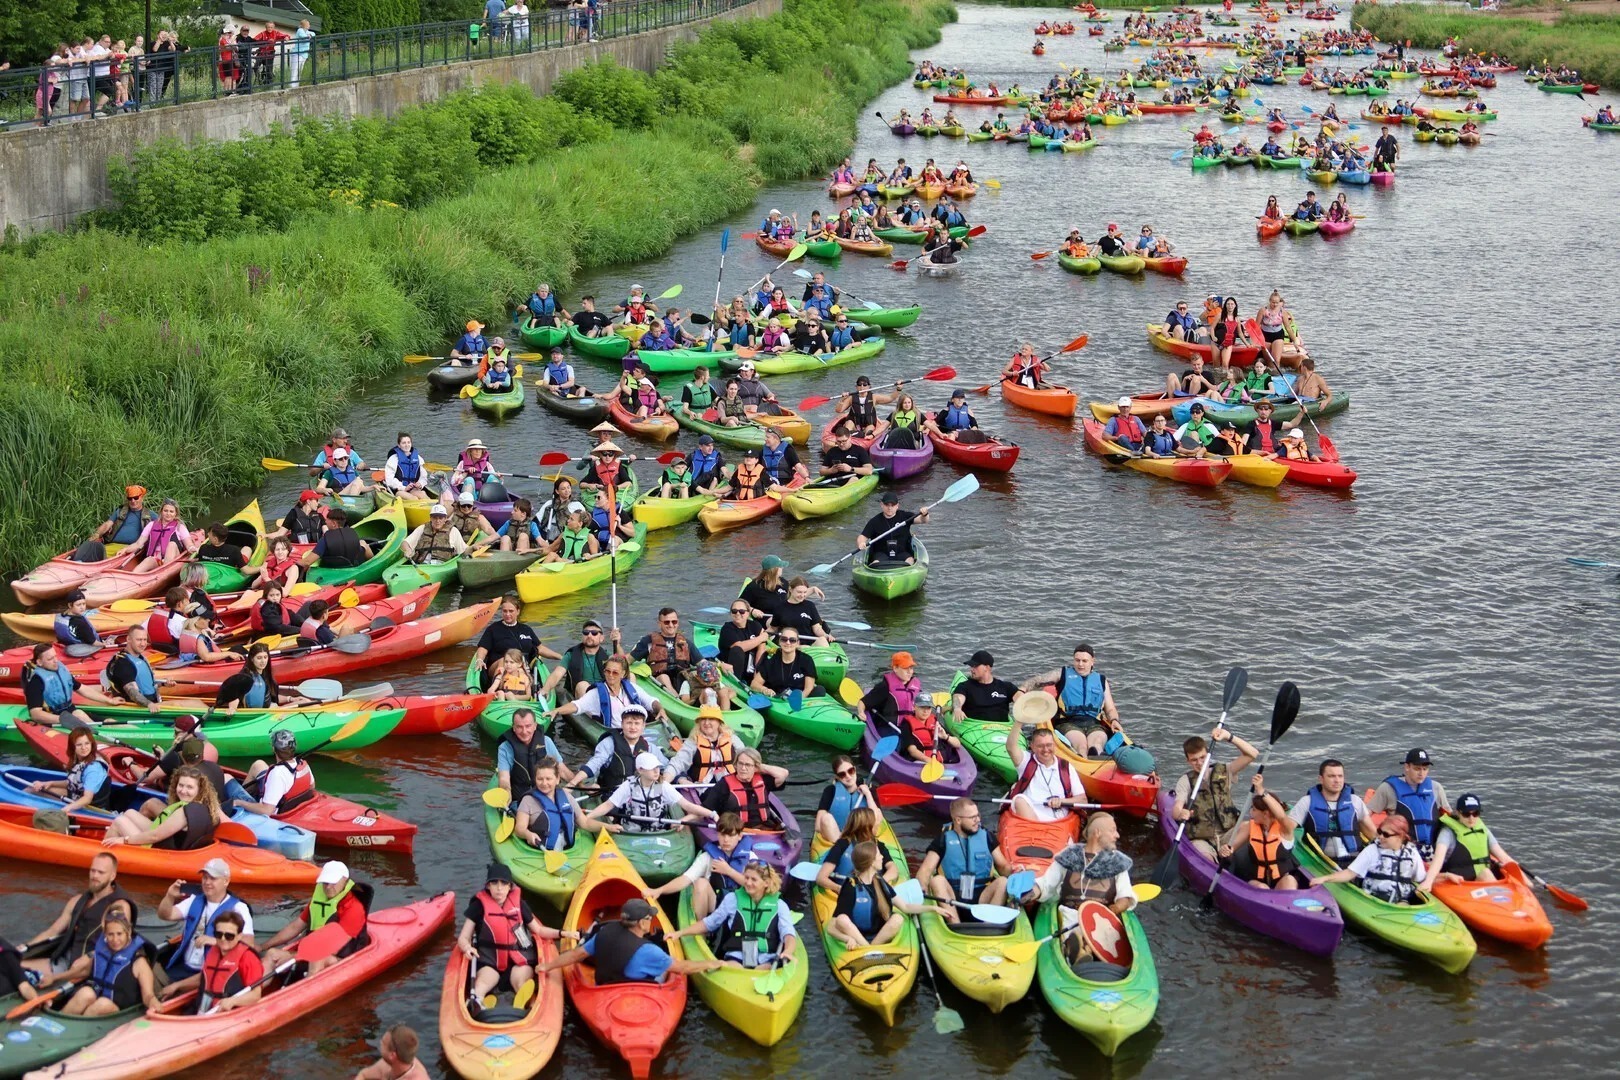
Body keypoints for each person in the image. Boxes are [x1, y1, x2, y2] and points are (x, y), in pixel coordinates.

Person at [457, 864, 567, 1007]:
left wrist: (562, 933)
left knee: (521, 984)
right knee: (482, 984)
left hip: (518, 961)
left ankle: (529, 1007)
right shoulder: (478, 906)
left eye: (504, 883)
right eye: (494, 883)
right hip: (490, 961)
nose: (499, 888)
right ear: (488, 886)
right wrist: (467, 948)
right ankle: (477, 1003)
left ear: (510, 886)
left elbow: (539, 931)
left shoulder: (519, 905)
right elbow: (463, 937)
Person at [541, 896, 720, 983]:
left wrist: (547, 966)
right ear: (642, 923)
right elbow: (682, 968)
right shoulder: (650, 951)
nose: (651, 921)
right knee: (668, 966)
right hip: (639, 990)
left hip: (604, 986)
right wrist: (710, 963)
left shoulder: (603, 932)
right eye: (649, 918)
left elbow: (575, 955)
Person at [668, 862, 800, 971]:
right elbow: (709, 923)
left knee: (763, 969)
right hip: (737, 955)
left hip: (767, 958)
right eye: (746, 878)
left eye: (754, 879)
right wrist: (680, 933)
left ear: (766, 883)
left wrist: (788, 951)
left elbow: (788, 934)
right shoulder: (732, 899)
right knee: (732, 968)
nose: (748, 883)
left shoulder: (779, 905)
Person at [19, 854, 135, 978]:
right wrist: (26, 947)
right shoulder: (77, 901)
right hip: (66, 960)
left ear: (112, 876)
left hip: (91, 967)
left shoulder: (119, 906)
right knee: (14, 966)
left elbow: (119, 943)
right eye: (93, 871)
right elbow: (53, 931)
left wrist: (90, 956)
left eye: (101, 872)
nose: (95, 876)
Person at [154, 859, 255, 993]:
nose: (207, 882)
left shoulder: (239, 908)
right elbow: (165, 915)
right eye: (205, 877)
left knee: (167, 991)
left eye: (213, 878)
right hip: (183, 966)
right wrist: (170, 896)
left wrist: (215, 941)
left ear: (226, 881)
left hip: (211, 971)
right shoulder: (194, 900)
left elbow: (248, 944)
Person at [261, 861, 373, 976]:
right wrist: (262, 946)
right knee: (272, 954)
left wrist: (297, 956)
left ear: (344, 880)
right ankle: (259, 987)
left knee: (318, 958)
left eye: (333, 883)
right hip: (311, 953)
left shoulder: (354, 909)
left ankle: (307, 985)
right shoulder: (318, 902)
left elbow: (334, 945)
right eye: (325, 883)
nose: (328, 887)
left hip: (339, 959)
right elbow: (295, 927)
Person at [825, 842, 939, 948]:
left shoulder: (881, 882)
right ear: (871, 862)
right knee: (842, 919)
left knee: (898, 918)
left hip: (878, 937)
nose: (882, 857)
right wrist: (848, 939)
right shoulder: (851, 887)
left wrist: (933, 908)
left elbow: (905, 907)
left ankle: (870, 948)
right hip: (857, 936)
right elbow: (831, 928)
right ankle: (867, 948)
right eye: (879, 855)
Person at [1170, 728, 1260, 857]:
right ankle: (1213, 862)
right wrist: (1181, 813)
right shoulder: (1185, 781)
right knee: (1204, 856)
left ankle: (1227, 852)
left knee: (1250, 826)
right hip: (1202, 839)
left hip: (1228, 834)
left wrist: (1228, 736)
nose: (1199, 763)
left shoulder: (1225, 770)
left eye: (1202, 757)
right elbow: (1176, 809)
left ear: (1208, 754)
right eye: (1194, 760)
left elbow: (1252, 754)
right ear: (1188, 761)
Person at [646, 811, 754, 916]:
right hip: (717, 905)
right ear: (717, 834)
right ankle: (702, 926)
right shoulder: (707, 857)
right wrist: (659, 890)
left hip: (743, 907)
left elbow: (758, 886)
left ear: (740, 836)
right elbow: (685, 879)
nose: (726, 840)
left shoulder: (751, 858)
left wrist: (729, 871)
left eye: (731, 835)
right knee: (700, 882)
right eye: (722, 834)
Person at [583, 751, 715, 834]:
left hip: (659, 830)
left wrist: (712, 814)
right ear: (640, 770)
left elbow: (687, 806)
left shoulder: (662, 786)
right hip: (631, 831)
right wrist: (587, 818)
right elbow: (608, 805)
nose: (657, 771)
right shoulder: (628, 786)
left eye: (657, 767)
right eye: (652, 768)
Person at [54, 911, 156, 1017]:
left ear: (128, 932)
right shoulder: (102, 950)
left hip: (120, 1011)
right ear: (105, 934)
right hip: (99, 998)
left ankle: (81, 1024)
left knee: (102, 1004)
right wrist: (54, 978)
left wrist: (153, 1002)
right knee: (85, 992)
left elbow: (148, 995)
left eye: (119, 934)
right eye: (110, 934)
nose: (115, 940)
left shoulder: (139, 962)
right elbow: (85, 971)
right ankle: (58, 1020)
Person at [1309, 814, 1428, 904]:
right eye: (1380, 832)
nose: (1381, 837)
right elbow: (1350, 873)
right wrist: (1324, 879)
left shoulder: (1412, 853)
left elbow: (1418, 878)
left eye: (1386, 834)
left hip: (1401, 903)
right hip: (1372, 899)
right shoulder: (1372, 850)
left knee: (1404, 904)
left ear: (1401, 836)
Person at [917, 796, 1011, 908]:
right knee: (937, 881)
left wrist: (1015, 871)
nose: (978, 820)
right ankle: (953, 919)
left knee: (1003, 882)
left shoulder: (987, 837)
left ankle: (990, 919)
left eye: (978, 815)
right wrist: (922, 887)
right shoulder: (942, 840)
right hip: (952, 897)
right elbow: (925, 870)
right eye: (972, 817)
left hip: (983, 895)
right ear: (958, 820)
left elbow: (1003, 866)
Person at [1216, 776, 1304, 890]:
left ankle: (1286, 900)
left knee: (1290, 881)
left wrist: (1262, 791)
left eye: (1254, 810)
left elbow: (1281, 816)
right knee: (1262, 888)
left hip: (1280, 880)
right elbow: (1231, 848)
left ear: (1265, 814)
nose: (1251, 813)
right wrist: (1225, 851)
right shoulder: (1250, 826)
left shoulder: (1285, 829)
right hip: (1256, 880)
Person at [103, 765, 221, 850]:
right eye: (181, 785)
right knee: (130, 813)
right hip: (169, 842)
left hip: (159, 850)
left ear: (199, 790)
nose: (183, 791)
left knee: (119, 822)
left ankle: (104, 855)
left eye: (189, 787)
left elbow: (155, 836)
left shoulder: (183, 812)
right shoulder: (202, 805)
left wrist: (124, 840)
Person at [1287, 758, 1373, 867]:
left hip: (1355, 861)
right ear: (1321, 779)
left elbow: (1372, 832)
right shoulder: (1307, 802)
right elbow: (1286, 829)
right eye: (1331, 776)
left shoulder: (1355, 801)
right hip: (1321, 861)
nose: (1337, 780)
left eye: (1340, 776)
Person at [1367, 748, 1451, 859]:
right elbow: (1365, 815)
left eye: (1425, 769)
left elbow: (1448, 817)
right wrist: (1378, 836)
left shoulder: (1436, 788)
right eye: (1417, 769)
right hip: (1402, 849)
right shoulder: (1388, 788)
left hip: (1432, 848)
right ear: (1407, 767)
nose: (1421, 773)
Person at [1421, 793, 1515, 891]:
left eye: (1475, 814)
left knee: (1486, 873)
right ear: (1458, 813)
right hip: (1458, 882)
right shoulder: (1447, 833)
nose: (1471, 818)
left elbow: (1503, 857)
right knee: (1486, 874)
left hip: (1482, 879)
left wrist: (1522, 877)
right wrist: (1428, 881)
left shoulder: (1482, 829)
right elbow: (1438, 861)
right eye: (1466, 814)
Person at [569, 704, 667, 794]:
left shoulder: (649, 748)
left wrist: (663, 779)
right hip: (612, 794)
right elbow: (594, 764)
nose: (633, 727)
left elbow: (665, 767)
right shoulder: (609, 743)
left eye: (637, 723)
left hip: (640, 794)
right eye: (629, 723)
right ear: (622, 724)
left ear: (643, 726)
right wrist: (573, 784)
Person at [1005, 721, 1089, 823]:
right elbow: (1011, 748)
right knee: (1019, 800)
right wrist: (1019, 722)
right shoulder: (1025, 761)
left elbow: (1082, 800)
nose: (1045, 750)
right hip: (1030, 815)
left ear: (1054, 745)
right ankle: (1036, 828)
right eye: (1040, 746)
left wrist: (1061, 801)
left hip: (1060, 819)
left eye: (1049, 745)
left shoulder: (1066, 766)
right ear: (1032, 746)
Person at [229, 729, 317, 818]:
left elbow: (266, 811)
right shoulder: (302, 764)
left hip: (268, 809)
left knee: (227, 777)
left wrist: (239, 803)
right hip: (286, 800)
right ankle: (244, 792)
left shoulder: (277, 773)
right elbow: (311, 786)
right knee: (258, 765)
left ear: (273, 749)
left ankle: (235, 801)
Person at [25, 725, 111, 814]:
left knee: (31, 791)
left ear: (92, 744)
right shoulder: (81, 760)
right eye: (79, 745)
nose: (84, 748)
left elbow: (87, 798)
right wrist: (49, 783)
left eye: (87, 743)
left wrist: (67, 808)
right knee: (32, 789)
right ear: (73, 747)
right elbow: (73, 782)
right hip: (77, 795)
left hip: (91, 808)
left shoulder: (93, 769)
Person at [513, 754, 590, 850]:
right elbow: (519, 829)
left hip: (568, 850)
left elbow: (585, 822)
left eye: (548, 779)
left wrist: (605, 826)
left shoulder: (566, 797)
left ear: (557, 779)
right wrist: (528, 834)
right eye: (540, 779)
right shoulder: (528, 800)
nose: (544, 783)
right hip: (540, 849)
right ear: (535, 779)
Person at [699, 748, 788, 829]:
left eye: (748, 765)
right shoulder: (724, 785)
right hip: (734, 831)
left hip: (763, 829)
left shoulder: (764, 780)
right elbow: (706, 809)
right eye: (740, 763)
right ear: (735, 765)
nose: (743, 768)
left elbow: (783, 774)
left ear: (756, 767)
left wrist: (760, 766)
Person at [22, 643, 101, 726]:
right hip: (53, 716)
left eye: (55, 656)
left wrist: (108, 700)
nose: (55, 661)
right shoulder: (36, 681)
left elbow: (80, 688)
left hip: (70, 710)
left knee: (107, 720)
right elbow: (36, 714)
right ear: (39, 662)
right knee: (79, 714)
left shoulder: (61, 670)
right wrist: (65, 719)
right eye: (50, 659)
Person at [664, 705, 746, 785]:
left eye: (711, 719)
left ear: (719, 722)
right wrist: (665, 782)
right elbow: (678, 762)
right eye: (703, 719)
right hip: (702, 787)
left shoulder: (732, 738)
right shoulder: (693, 741)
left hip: (729, 783)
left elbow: (746, 758)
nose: (706, 723)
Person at [814, 755, 881, 844]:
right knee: (825, 817)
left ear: (855, 769)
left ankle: (860, 846)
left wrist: (868, 794)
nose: (848, 776)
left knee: (878, 812)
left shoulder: (869, 788)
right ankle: (842, 846)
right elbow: (818, 826)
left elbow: (877, 819)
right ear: (837, 777)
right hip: (838, 836)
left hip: (864, 835)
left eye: (850, 771)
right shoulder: (830, 791)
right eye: (842, 774)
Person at [81, 485, 154, 560]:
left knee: (101, 555)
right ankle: (81, 561)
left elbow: (161, 525)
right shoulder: (120, 511)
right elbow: (107, 524)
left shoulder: (150, 515)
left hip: (131, 548)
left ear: (142, 498)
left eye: (136, 498)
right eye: (130, 498)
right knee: (94, 551)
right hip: (113, 545)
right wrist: (97, 534)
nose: (133, 501)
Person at [858, 490, 928, 568]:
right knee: (875, 563)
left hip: (902, 552)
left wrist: (925, 514)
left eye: (893, 505)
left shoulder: (905, 516)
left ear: (897, 506)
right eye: (887, 505)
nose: (889, 508)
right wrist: (861, 543)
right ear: (882, 505)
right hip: (881, 553)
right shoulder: (874, 521)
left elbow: (923, 520)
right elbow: (862, 537)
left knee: (910, 560)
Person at [630, 608, 694, 693]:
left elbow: (701, 662)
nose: (671, 625)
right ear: (659, 624)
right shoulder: (648, 641)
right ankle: (675, 697)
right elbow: (628, 660)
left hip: (682, 679)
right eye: (667, 622)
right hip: (660, 680)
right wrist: (617, 645)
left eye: (674, 622)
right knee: (664, 677)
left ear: (678, 623)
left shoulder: (686, 642)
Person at [125, 498, 195, 574]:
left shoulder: (180, 527)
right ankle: (132, 576)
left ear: (175, 514)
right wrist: (125, 550)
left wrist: (191, 548)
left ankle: (165, 572)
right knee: (148, 560)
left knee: (172, 544)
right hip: (156, 559)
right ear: (161, 511)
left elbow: (189, 544)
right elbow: (138, 543)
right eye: (165, 511)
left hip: (172, 559)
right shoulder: (151, 525)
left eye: (171, 511)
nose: (168, 513)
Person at [750, 626, 818, 702]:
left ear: (797, 643)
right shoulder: (770, 659)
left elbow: (808, 688)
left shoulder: (806, 660)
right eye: (784, 639)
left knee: (819, 690)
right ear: (779, 642)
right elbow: (754, 684)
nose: (788, 642)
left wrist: (798, 700)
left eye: (792, 640)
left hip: (799, 699)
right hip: (775, 700)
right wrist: (765, 690)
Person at [862, 651, 922, 731]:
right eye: (905, 668)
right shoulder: (884, 686)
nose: (909, 672)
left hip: (910, 727)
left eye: (911, 668)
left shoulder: (916, 686)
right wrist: (861, 712)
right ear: (895, 668)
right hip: (889, 727)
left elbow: (922, 707)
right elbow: (863, 702)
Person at [301, 506, 371, 572]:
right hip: (353, 566)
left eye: (327, 520)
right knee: (363, 543)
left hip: (331, 569)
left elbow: (307, 562)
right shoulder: (352, 533)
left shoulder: (326, 539)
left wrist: (296, 564)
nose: (325, 522)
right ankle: (372, 563)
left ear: (334, 523)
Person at [355, 1024, 430, 1080]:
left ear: (392, 1055)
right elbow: (363, 1074)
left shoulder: (417, 1078)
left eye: (383, 1042)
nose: (380, 1042)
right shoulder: (390, 1064)